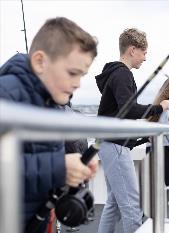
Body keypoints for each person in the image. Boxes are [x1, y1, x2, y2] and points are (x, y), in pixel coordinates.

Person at [0, 17, 99, 233]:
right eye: (73, 73)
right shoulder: (6, 94)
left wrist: (73, 170)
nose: (78, 83)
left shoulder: (52, 102)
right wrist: (58, 167)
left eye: (82, 76)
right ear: (40, 62)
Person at [96, 28, 169, 233]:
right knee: (132, 206)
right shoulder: (122, 74)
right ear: (132, 50)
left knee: (113, 203)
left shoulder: (115, 73)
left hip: (111, 143)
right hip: (115, 145)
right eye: (144, 52)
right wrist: (160, 107)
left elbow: (118, 113)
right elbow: (128, 109)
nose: (145, 58)